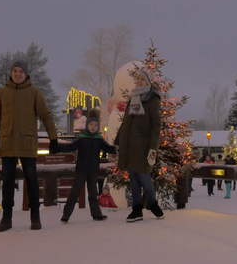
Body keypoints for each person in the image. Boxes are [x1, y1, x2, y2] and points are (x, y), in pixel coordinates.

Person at [0, 61, 59, 232]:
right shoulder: (2, 93)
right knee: (7, 182)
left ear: (26, 74)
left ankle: (35, 217)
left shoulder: (34, 93)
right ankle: (6, 218)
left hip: (27, 144)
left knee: (32, 180)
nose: (18, 74)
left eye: (21, 71)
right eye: (15, 71)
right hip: (8, 144)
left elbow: (46, 116)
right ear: (11, 73)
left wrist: (53, 139)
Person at [114, 70, 164, 222]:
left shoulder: (152, 98)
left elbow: (156, 125)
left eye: (143, 79)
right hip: (130, 145)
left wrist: (153, 148)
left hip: (143, 146)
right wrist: (118, 141)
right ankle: (136, 209)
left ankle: (153, 205)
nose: (139, 81)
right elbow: (126, 122)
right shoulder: (134, 97)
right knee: (133, 178)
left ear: (148, 81)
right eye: (138, 79)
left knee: (144, 176)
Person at [59, 108, 116, 223]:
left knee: (93, 193)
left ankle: (96, 214)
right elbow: (71, 147)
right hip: (81, 169)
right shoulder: (82, 138)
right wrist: (57, 146)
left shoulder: (99, 139)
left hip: (93, 170)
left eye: (96, 125)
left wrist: (117, 149)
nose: (93, 126)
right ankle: (66, 215)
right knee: (75, 192)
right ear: (87, 125)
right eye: (91, 124)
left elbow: (108, 148)